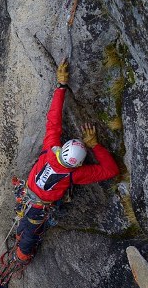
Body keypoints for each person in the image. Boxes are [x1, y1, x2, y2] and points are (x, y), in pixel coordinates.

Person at [14, 58, 120, 264]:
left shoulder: (50, 149)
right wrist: (96, 145)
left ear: (61, 149)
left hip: (27, 194)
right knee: (30, 233)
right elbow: (110, 170)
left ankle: (20, 245)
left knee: (25, 227)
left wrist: (61, 85)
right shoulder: (76, 174)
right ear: (79, 163)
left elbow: (53, 120)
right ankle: (22, 255)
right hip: (38, 206)